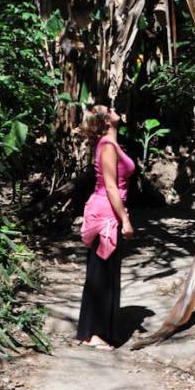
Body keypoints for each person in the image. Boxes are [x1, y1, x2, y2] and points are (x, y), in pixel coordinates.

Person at [76, 104, 135, 349]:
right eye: (109, 109)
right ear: (106, 120)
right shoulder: (108, 146)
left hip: (109, 208)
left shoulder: (111, 145)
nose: (115, 108)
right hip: (106, 212)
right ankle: (93, 333)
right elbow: (111, 186)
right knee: (101, 270)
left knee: (107, 270)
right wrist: (126, 220)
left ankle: (104, 330)